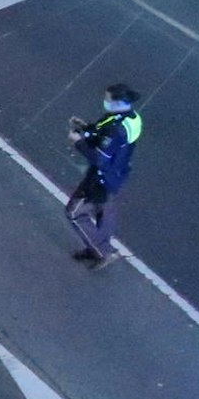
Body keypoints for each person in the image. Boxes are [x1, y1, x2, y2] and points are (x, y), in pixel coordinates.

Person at [66, 83, 142, 269]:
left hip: (101, 177)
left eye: (108, 100)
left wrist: (79, 142)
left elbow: (100, 157)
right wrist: (86, 128)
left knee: (74, 213)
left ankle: (103, 251)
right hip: (117, 173)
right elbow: (105, 135)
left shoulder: (116, 129)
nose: (105, 102)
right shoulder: (131, 119)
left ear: (118, 102)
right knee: (103, 211)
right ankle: (96, 247)